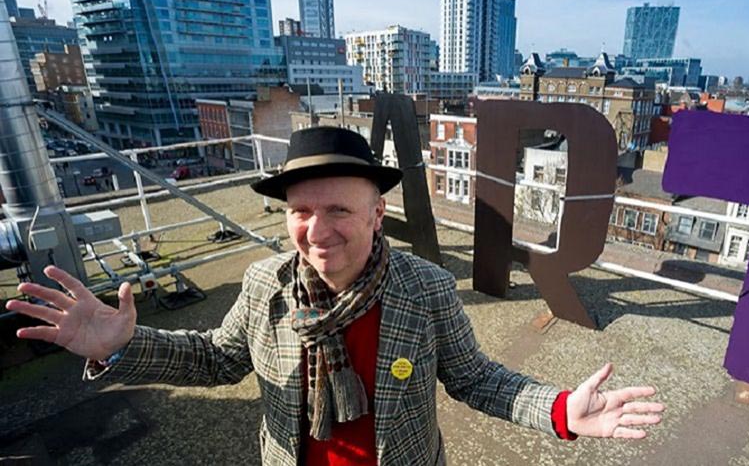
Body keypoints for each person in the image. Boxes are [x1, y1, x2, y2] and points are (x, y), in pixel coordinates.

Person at [8, 127, 665, 466]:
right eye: (300, 212)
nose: (316, 233)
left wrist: (559, 411)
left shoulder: (425, 289)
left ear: (377, 213)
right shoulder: (266, 285)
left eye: (338, 211)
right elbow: (216, 359)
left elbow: (476, 379)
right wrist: (125, 345)